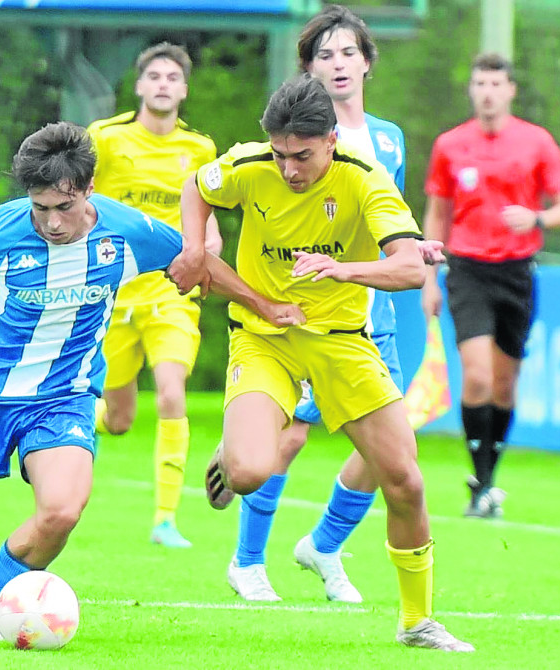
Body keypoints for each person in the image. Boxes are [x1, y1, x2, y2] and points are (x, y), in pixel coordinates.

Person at [0, 122, 304, 641]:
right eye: (40, 207)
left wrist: (263, 304)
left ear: (90, 188)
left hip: (65, 396)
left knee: (63, 511)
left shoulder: (128, 232)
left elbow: (196, 261)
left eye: (64, 207)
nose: (52, 222)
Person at [168, 76, 474, 651]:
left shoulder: (365, 179)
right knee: (250, 472)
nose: (288, 169)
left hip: (340, 340)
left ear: (331, 141)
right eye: (281, 155)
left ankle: (417, 621)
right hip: (264, 336)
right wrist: (193, 247)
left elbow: (410, 269)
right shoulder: (250, 163)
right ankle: (238, 451)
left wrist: (344, 269)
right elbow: (196, 186)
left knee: (405, 481)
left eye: (302, 156)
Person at [225, 4, 437, 605]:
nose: (338, 63)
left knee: (391, 454)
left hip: (370, 317)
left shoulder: (388, 139)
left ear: (367, 62)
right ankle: (248, 562)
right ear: (308, 69)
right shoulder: (287, 142)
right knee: (282, 441)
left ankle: (324, 543)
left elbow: (386, 228)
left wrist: (416, 250)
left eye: (348, 52)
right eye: (325, 54)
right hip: (293, 316)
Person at [422, 53, 560, 518]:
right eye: (479, 83)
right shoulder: (450, 145)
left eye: (495, 83)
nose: (487, 92)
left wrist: (536, 217)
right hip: (467, 269)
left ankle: (489, 478)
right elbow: (437, 213)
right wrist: (430, 275)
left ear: (510, 90)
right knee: (477, 375)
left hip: (517, 271)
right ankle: (481, 482)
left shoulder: (536, 142)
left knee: (505, 385)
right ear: (471, 90)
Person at [87, 43, 222, 549]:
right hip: (112, 294)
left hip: (171, 293)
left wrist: (208, 247)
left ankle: (165, 519)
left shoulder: (201, 150)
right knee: (119, 420)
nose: (164, 83)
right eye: (154, 76)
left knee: (171, 391)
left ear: (184, 90)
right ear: (139, 86)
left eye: (173, 77)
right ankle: (88, 426)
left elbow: (206, 220)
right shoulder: (105, 139)